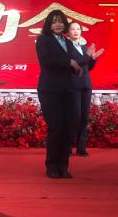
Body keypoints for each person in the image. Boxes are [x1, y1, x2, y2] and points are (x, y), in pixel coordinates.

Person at [36, 10, 86, 179]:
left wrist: (86, 62)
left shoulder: (68, 42)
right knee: (56, 127)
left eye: (60, 21)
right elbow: (46, 61)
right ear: (49, 24)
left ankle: (63, 167)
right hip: (49, 90)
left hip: (67, 90)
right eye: (54, 21)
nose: (58, 24)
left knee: (67, 128)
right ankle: (51, 167)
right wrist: (69, 62)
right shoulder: (43, 40)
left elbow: (74, 64)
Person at [68, 21, 104, 157]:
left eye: (78, 29)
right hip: (73, 85)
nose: (76, 31)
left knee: (84, 117)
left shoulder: (84, 48)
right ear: (68, 32)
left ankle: (81, 148)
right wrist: (87, 56)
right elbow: (75, 65)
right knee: (74, 117)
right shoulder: (66, 48)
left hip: (86, 85)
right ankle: (67, 146)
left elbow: (87, 68)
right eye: (73, 29)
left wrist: (93, 59)